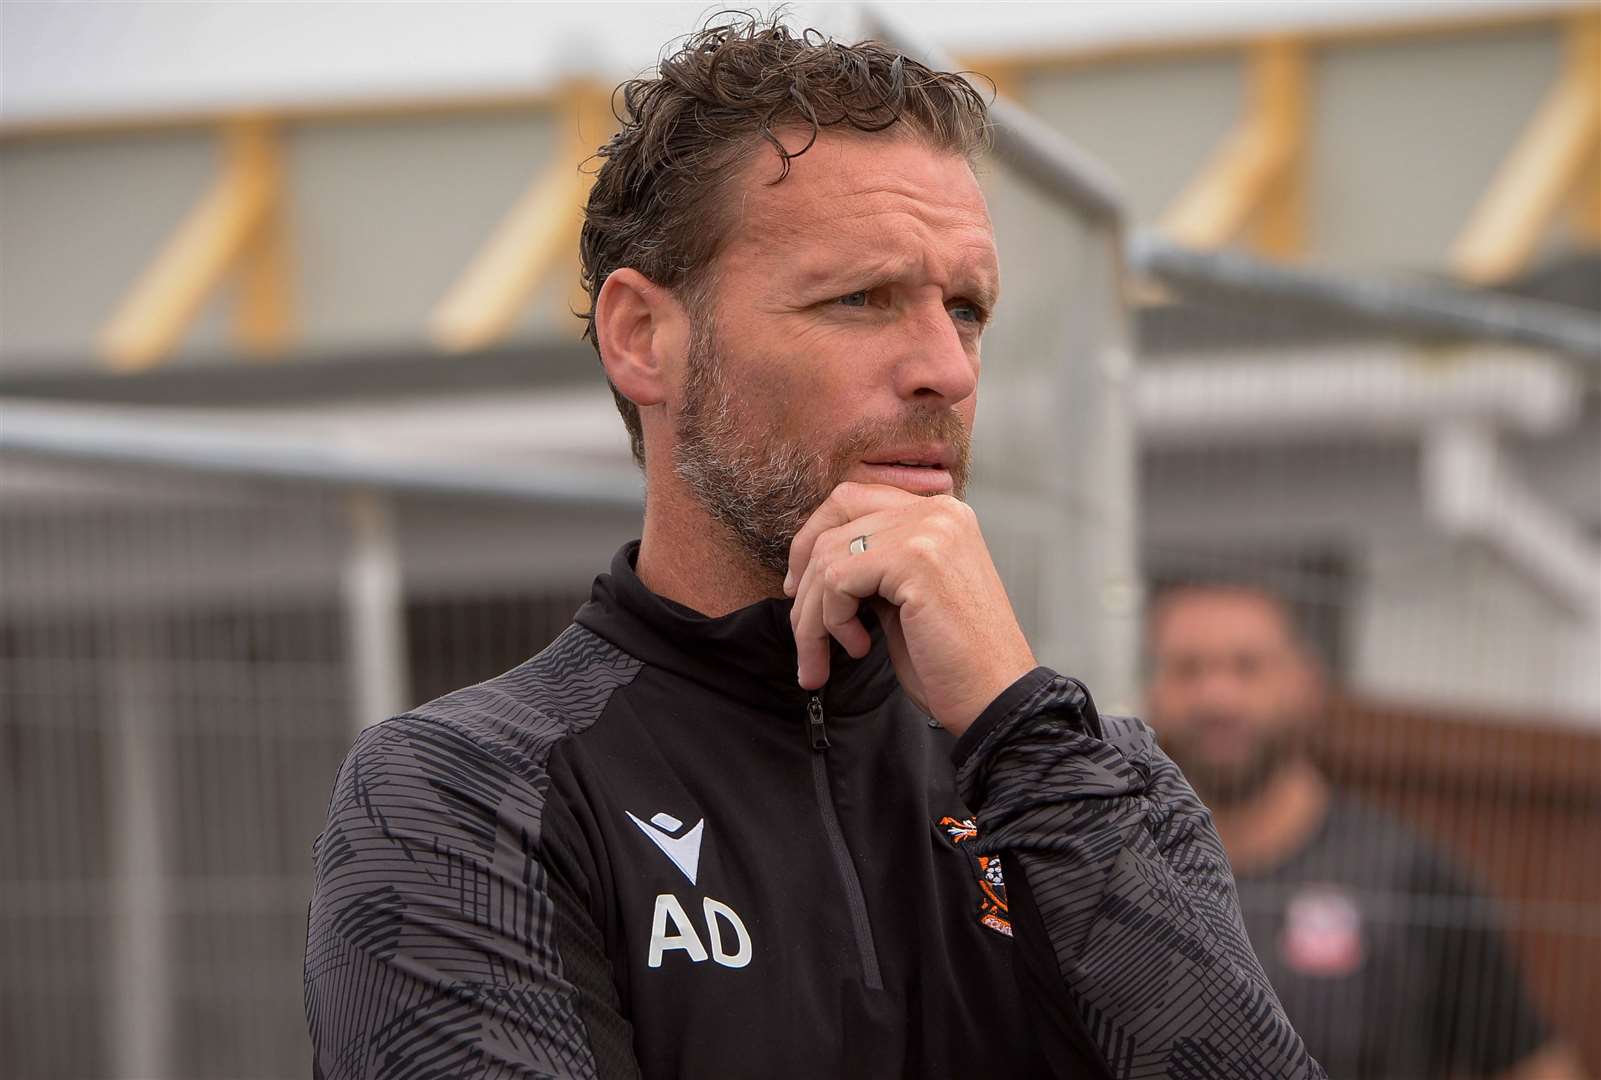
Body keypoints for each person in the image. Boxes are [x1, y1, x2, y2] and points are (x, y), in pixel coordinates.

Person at [303, 18, 1323, 1078]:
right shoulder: (462, 792)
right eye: (861, 299)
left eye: (965, 309)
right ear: (642, 337)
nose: (947, 369)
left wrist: (1018, 731)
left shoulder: (1098, 787)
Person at [1144, 580, 1586, 1080]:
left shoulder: (1406, 873)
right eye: (1188, 669)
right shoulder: (1124, 872)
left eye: (1247, 667)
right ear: (1152, 691)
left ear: (1306, 685)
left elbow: (1533, 1062)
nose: (1217, 696)